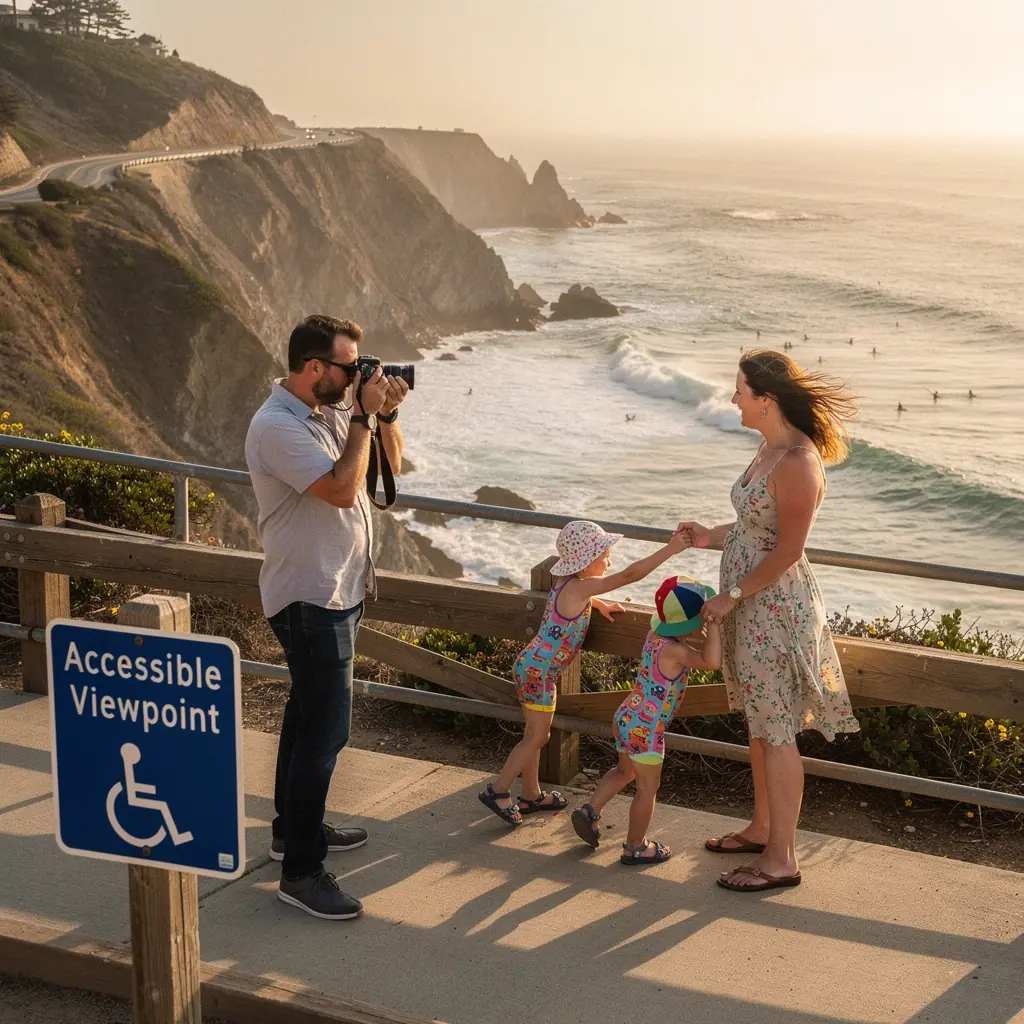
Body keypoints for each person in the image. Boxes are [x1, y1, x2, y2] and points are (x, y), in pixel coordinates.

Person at [245, 314, 409, 921]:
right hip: (309, 597)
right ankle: (302, 872)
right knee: (325, 734)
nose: (357, 375)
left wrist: (383, 414)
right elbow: (341, 490)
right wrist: (362, 415)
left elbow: (388, 468)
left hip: (340, 588)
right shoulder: (276, 428)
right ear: (314, 368)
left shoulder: (334, 409)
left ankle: (292, 831)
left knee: (304, 714)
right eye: (348, 367)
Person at [677, 349, 859, 893]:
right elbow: (753, 524)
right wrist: (711, 536)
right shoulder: (769, 448)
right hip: (753, 606)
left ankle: (782, 859)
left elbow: (787, 550)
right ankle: (761, 829)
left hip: (775, 611)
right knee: (760, 724)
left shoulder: (800, 461)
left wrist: (732, 594)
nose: (732, 398)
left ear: (766, 399)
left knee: (777, 731)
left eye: (738, 390)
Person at [478, 521, 691, 825]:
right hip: (539, 674)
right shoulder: (579, 587)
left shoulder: (566, 583)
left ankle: (531, 794)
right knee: (538, 736)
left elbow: (577, 600)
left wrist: (598, 604)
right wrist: (671, 549)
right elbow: (629, 575)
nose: (609, 561)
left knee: (534, 735)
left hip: (534, 669)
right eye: (605, 555)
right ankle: (498, 791)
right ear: (587, 560)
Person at [571, 577, 722, 864]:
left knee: (623, 771)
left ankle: (591, 811)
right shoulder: (676, 651)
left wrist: (693, 626)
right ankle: (635, 846)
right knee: (646, 789)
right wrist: (713, 626)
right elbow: (713, 662)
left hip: (628, 716)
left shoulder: (655, 639)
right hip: (648, 730)